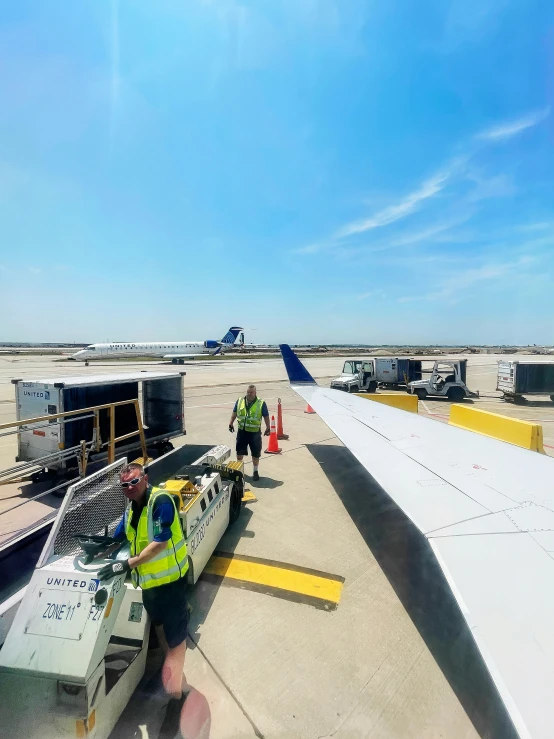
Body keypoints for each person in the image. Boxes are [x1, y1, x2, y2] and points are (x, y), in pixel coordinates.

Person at [98, 462, 189, 727]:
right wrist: (99, 550)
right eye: (124, 485)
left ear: (145, 479)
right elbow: (118, 538)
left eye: (134, 482)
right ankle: (172, 675)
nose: (129, 488)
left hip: (171, 585)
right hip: (150, 587)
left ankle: (177, 701)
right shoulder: (130, 511)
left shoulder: (160, 501)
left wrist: (126, 564)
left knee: (175, 641)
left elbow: (160, 542)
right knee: (160, 631)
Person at [228, 384, 270, 481]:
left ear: (255, 393)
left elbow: (266, 416)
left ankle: (255, 471)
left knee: (255, 454)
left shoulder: (261, 403)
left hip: (254, 433)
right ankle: (240, 471)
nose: (249, 394)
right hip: (242, 432)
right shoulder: (240, 401)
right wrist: (231, 423)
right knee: (239, 453)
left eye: (251, 392)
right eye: (248, 392)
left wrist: (268, 427)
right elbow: (234, 412)